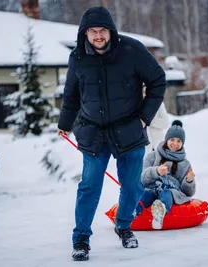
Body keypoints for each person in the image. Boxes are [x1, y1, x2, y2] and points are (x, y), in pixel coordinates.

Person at [57, 6, 166, 261]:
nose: (98, 36)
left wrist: (143, 118)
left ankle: (124, 225)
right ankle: (81, 239)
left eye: (102, 30)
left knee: (132, 186)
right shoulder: (78, 58)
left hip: (129, 128)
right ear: (84, 33)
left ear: (110, 31)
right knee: (89, 187)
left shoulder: (132, 50)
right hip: (93, 131)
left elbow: (158, 80)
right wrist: (65, 121)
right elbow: (71, 95)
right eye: (92, 31)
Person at [135, 120, 196, 229]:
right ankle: (132, 212)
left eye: (179, 141)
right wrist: (156, 171)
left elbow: (187, 193)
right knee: (145, 194)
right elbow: (142, 179)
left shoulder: (185, 164)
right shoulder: (152, 156)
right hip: (152, 189)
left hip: (171, 193)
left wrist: (189, 181)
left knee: (166, 194)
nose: (175, 144)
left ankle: (159, 213)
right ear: (167, 139)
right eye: (172, 140)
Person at [143, 87, 170, 153]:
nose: (144, 94)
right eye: (143, 92)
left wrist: (149, 120)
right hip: (144, 148)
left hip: (158, 145)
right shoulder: (134, 105)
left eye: (146, 91)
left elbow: (165, 123)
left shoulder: (158, 104)